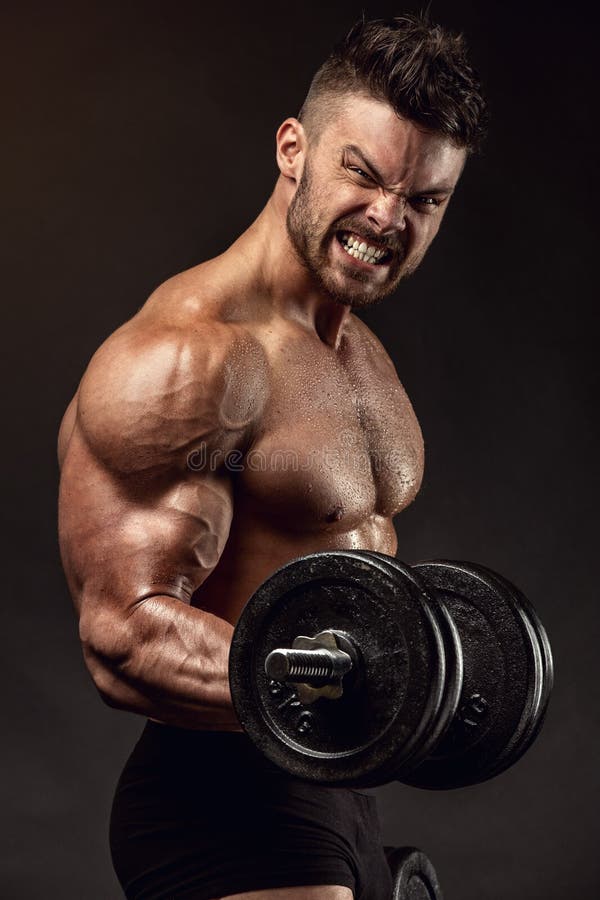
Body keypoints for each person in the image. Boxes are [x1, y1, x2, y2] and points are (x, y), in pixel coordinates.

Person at [58, 12, 487, 900]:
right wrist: (352, 685)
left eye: (424, 199)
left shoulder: (356, 352)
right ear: (294, 147)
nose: (387, 217)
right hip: (224, 799)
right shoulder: (190, 359)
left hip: (337, 785)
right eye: (361, 174)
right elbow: (123, 635)